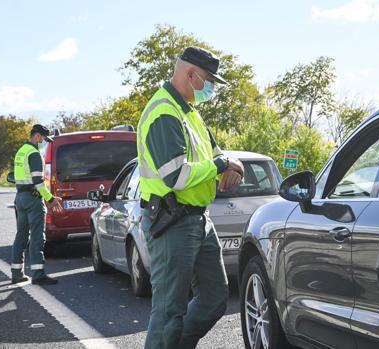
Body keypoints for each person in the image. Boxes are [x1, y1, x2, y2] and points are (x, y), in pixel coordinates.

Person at [137, 46, 244, 349]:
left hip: (198, 219)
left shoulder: (190, 113)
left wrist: (233, 165)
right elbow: (176, 176)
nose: (210, 87)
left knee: (214, 298)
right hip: (171, 221)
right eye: (209, 80)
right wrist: (220, 166)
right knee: (169, 311)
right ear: (190, 74)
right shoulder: (163, 113)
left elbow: (217, 153)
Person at [11, 124, 63, 285]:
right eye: (44, 139)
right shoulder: (33, 154)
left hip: (20, 197)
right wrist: (49, 199)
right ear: (38, 136)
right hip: (33, 199)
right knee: (37, 237)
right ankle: (38, 273)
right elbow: (38, 182)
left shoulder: (21, 151)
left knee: (21, 235)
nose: (45, 143)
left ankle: (16, 273)